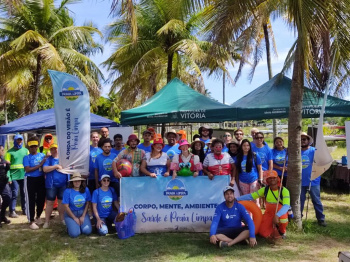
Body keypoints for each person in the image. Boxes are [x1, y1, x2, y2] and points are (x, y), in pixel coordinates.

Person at [237, 170, 290, 238]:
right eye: (270, 178)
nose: (272, 179)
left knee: (283, 219)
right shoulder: (265, 190)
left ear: (277, 179)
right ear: (267, 180)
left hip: (280, 212)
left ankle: (282, 232)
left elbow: (286, 206)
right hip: (269, 213)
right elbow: (252, 196)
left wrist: (277, 215)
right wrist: (237, 199)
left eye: (274, 177)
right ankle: (273, 230)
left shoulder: (284, 190)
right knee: (263, 233)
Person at [300, 132, 326, 227]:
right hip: (300, 182)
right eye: (300, 139)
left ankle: (321, 219)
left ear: (308, 141)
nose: (302, 141)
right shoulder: (296, 152)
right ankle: (298, 219)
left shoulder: (314, 151)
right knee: (300, 201)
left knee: (316, 201)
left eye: (304, 139)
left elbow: (323, 160)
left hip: (313, 181)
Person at [23, 137, 47, 229]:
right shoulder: (26, 157)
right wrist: (39, 165)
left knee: (41, 199)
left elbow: (46, 164)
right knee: (30, 200)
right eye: (31, 147)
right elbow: (28, 169)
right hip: (30, 179)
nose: (33, 148)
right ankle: (31, 220)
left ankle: (38, 216)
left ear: (37, 146)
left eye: (35, 146)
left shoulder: (42, 155)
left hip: (40, 179)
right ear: (29, 148)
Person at [42, 143, 68, 228]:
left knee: (61, 202)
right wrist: (56, 166)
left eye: (56, 148)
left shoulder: (64, 159)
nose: (55, 150)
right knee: (49, 202)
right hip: (51, 184)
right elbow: (45, 169)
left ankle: (62, 219)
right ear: (50, 150)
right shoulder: (48, 159)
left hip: (63, 184)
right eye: (53, 149)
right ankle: (47, 221)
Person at [62, 172, 92, 238]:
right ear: (72, 182)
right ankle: (70, 226)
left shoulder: (86, 190)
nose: (77, 182)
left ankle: (77, 226)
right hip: (71, 214)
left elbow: (87, 203)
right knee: (75, 234)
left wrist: (83, 216)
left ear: (81, 181)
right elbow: (66, 207)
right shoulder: (67, 191)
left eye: (78, 181)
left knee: (87, 231)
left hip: (82, 212)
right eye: (75, 181)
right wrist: (74, 218)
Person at [5, 134, 28, 217]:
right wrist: (9, 177)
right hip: (13, 177)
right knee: (14, 193)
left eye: (20, 140)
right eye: (18, 140)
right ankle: (12, 211)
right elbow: (6, 167)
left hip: (24, 176)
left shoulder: (25, 151)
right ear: (15, 140)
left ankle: (25, 210)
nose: (19, 141)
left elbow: (28, 163)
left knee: (24, 193)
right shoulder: (9, 152)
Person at [235, 139, 262, 204]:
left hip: (253, 180)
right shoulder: (238, 157)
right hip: (243, 182)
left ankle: (256, 214)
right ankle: (248, 214)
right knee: (246, 201)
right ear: (241, 147)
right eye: (244, 145)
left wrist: (260, 179)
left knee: (254, 200)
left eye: (247, 145)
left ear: (250, 146)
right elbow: (237, 171)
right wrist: (237, 182)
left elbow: (260, 169)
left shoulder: (255, 156)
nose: (246, 147)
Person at [0, 145, 11, 226]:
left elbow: (5, 170)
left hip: (3, 183)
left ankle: (2, 216)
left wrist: (8, 166)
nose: (3, 152)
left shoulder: (3, 159)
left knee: (7, 199)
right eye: (2, 150)